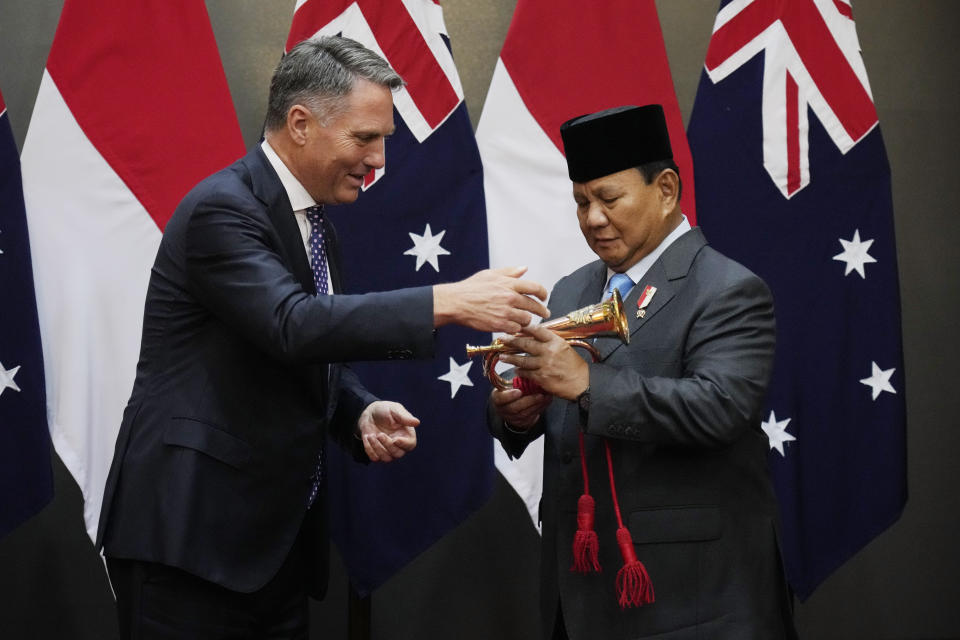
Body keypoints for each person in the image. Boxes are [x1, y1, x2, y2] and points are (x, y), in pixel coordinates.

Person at [95, 36, 548, 638]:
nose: (380, 160)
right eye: (365, 138)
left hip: (274, 553)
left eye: (384, 139)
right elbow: (292, 323)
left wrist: (356, 412)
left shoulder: (315, 226)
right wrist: (451, 300)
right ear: (301, 123)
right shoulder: (223, 210)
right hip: (192, 543)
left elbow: (304, 352)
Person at [489, 105, 797, 639]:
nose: (593, 219)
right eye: (581, 202)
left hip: (689, 600)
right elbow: (560, 415)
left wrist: (586, 384)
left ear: (667, 189)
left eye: (609, 198)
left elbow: (719, 408)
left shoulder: (728, 289)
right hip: (579, 589)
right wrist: (519, 415)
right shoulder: (572, 288)